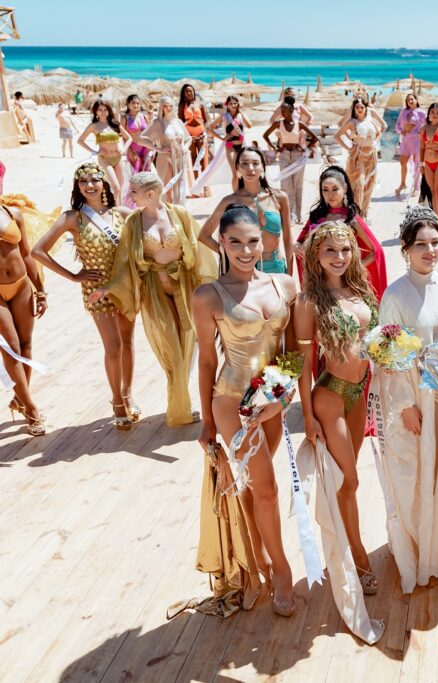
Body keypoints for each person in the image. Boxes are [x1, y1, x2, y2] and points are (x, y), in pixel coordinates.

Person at [194, 205, 300, 616]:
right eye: (235, 241)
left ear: (264, 241)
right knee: (267, 487)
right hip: (231, 403)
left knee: (255, 486)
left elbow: (292, 352)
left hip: (271, 400)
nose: (245, 250)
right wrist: (207, 421)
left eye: (252, 241)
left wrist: (282, 398)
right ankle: (281, 569)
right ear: (221, 242)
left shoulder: (284, 284)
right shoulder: (208, 295)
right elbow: (207, 361)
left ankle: (256, 555)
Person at [373, 206, 438, 592]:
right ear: (406, 249)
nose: (430, 251)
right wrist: (405, 405)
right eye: (421, 244)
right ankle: (421, 548)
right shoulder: (395, 295)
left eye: (435, 242)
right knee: (417, 472)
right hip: (415, 395)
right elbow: (388, 358)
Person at [89, 172, 217, 426]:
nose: (130, 196)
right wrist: (108, 288)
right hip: (155, 290)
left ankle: (184, 400)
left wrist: (216, 279)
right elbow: (124, 261)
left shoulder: (179, 214)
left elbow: (200, 247)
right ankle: (179, 407)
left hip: (185, 286)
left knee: (186, 342)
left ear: (150, 193)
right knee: (171, 347)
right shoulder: (133, 222)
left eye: (134, 192)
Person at [294, 221, 380, 596]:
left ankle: (344, 547)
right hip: (330, 397)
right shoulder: (308, 302)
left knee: (347, 483)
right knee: (349, 482)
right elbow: (302, 363)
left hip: (359, 392)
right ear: (316, 255)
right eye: (330, 250)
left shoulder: (360, 289)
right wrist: (307, 416)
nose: (340, 257)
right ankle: (358, 558)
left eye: (345, 249)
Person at [32, 163, 138, 430]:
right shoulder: (73, 218)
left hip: (124, 286)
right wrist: (73, 276)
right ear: (77, 187)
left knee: (127, 342)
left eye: (94, 180)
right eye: (83, 182)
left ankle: (128, 394)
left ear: (104, 183)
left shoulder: (122, 214)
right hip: (95, 289)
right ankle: (117, 402)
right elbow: (38, 251)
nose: (89, 185)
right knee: (113, 347)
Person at [199, 146, 293, 275]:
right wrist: (230, 255)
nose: (250, 168)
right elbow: (204, 236)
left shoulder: (280, 197)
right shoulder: (229, 201)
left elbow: (288, 240)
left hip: (276, 267)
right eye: (244, 163)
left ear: (263, 167)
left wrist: (290, 273)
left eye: (255, 163)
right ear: (237, 168)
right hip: (243, 270)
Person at [0, 194, 49, 436]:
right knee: (11, 348)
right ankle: (31, 409)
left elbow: (26, 253)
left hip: (22, 286)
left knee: (26, 345)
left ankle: (20, 398)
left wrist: (40, 290)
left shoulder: (12, 213)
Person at [298, 166, 387, 299]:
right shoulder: (316, 216)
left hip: (344, 284)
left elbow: (376, 251)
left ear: (344, 188)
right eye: (325, 190)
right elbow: (300, 243)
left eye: (335, 189)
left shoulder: (351, 219)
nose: (330, 195)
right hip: (319, 281)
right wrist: (297, 247)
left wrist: (353, 268)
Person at [262, 101, 317, 223]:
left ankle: (298, 216)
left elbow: (314, 138)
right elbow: (265, 135)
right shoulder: (278, 123)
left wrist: (305, 148)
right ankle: (288, 215)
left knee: (298, 185)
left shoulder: (299, 124)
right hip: (284, 155)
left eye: (284, 110)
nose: (282, 112)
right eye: (281, 110)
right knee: (286, 186)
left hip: (298, 156)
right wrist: (275, 148)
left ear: (291, 110)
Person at [138, 96, 192, 203]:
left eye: (171, 106)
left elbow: (188, 138)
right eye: (165, 106)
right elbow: (141, 139)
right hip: (165, 159)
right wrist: (158, 149)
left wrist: (185, 147)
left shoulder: (178, 122)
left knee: (179, 188)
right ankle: (166, 211)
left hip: (179, 158)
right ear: (161, 107)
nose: (168, 108)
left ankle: (178, 210)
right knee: (167, 189)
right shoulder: (158, 123)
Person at [77, 100, 132, 203]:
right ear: (96, 111)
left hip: (118, 158)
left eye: (105, 109)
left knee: (120, 189)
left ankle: (118, 209)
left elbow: (129, 138)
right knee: (116, 187)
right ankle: (114, 209)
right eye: (100, 110)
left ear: (109, 110)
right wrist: (94, 151)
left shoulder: (114, 124)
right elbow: (80, 141)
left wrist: (124, 149)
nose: (103, 112)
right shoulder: (93, 126)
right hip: (104, 159)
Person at [335, 97, 381, 215]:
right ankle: (356, 213)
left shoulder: (370, 121)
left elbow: (379, 132)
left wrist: (375, 142)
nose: (359, 109)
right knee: (359, 185)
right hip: (358, 156)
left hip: (371, 156)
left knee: (369, 185)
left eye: (362, 107)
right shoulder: (352, 122)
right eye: (357, 107)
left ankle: (364, 213)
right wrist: (348, 148)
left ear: (366, 109)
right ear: (354, 109)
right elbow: (337, 136)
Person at [209, 95, 253, 182]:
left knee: (244, 173)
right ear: (227, 105)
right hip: (230, 147)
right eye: (231, 103)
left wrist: (241, 112)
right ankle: (236, 190)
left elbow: (249, 125)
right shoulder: (224, 116)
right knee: (235, 173)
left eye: (235, 103)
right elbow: (209, 128)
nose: (233, 105)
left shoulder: (241, 115)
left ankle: (243, 189)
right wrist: (221, 138)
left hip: (242, 145)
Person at [395, 94, 425, 197]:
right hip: (405, 141)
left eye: (412, 99)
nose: (410, 101)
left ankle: (416, 188)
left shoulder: (422, 113)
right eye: (408, 100)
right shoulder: (403, 111)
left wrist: (421, 132)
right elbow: (397, 124)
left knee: (417, 165)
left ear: (416, 100)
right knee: (402, 163)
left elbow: (427, 126)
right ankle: (402, 184)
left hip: (417, 141)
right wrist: (400, 131)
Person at [178, 84, 210, 180]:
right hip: (189, 136)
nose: (189, 93)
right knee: (193, 158)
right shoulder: (182, 106)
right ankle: (196, 182)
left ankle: (204, 183)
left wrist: (205, 133)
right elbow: (180, 122)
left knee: (203, 158)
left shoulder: (200, 104)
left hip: (201, 134)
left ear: (194, 92)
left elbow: (206, 120)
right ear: (184, 93)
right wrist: (186, 136)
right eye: (187, 91)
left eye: (190, 91)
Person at [123, 95, 151, 175]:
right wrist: (129, 151)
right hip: (133, 149)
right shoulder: (124, 118)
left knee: (147, 174)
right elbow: (124, 137)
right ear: (128, 104)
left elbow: (149, 134)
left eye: (138, 103)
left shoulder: (145, 116)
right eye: (133, 103)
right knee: (136, 174)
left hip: (145, 148)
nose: (136, 105)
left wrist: (152, 148)